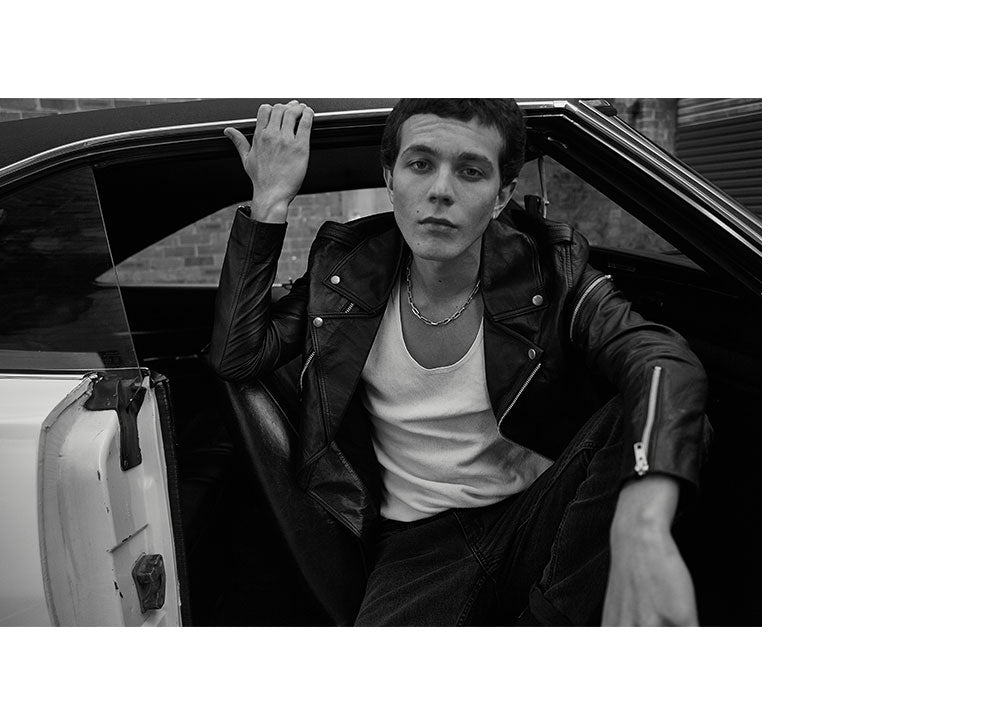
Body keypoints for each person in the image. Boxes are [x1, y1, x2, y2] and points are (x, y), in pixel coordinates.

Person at [210, 99, 710, 626]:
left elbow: (661, 359)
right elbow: (238, 355)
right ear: (391, 179)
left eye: (470, 171)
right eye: (420, 164)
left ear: (502, 195)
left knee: (657, 411)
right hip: (418, 545)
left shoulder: (549, 269)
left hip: (541, 511)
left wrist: (642, 523)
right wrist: (270, 201)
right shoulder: (345, 272)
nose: (440, 190)